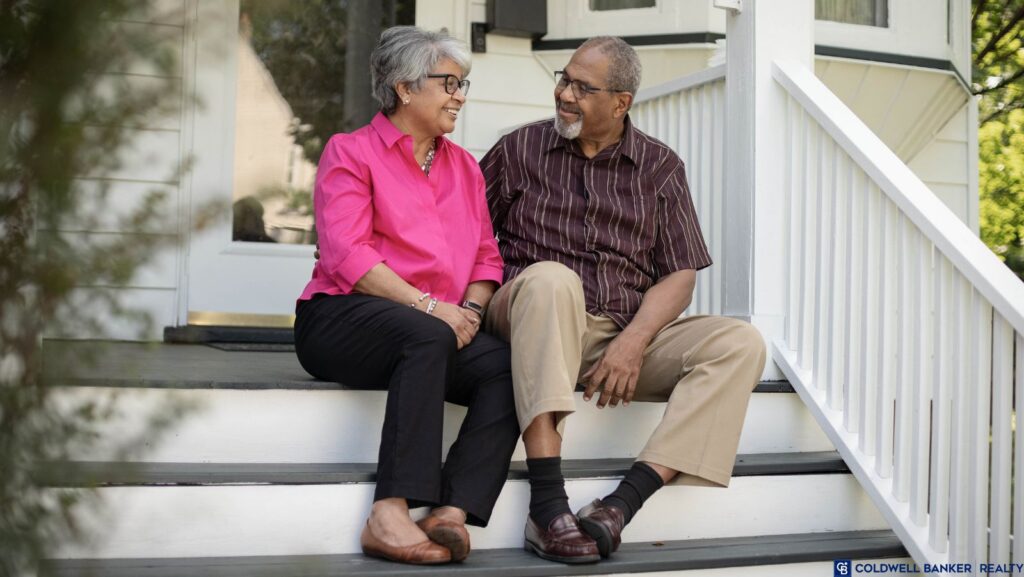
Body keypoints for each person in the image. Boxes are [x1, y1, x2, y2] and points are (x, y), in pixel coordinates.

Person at [480, 36, 767, 564]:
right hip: (532, 314)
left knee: (739, 342)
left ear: (621, 102)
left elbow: (679, 273)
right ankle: (547, 506)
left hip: (617, 333)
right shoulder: (517, 149)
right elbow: (467, 237)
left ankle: (620, 505)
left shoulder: (660, 166)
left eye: (582, 87)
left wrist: (634, 340)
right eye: (564, 79)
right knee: (552, 280)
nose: (564, 94)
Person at [294, 26, 519, 566]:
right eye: (449, 84)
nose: (460, 96)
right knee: (427, 335)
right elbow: (348, 255)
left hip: (435, 327)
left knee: (510, 367)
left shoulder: (464, 167)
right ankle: (389, 512)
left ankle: (450, 511)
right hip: (340, 319)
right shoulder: (350, 153)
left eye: (463, 85)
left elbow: (486, 256)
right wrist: (432, 308)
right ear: (405, 88)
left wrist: (469, 311)